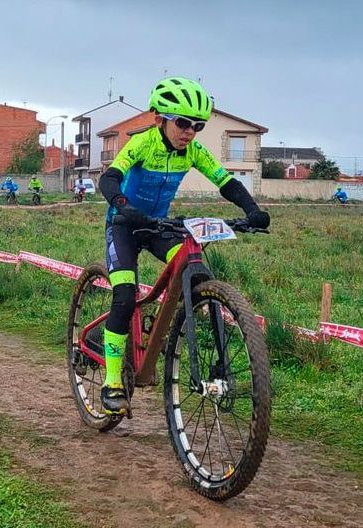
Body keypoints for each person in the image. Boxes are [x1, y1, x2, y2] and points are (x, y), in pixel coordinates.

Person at [96, 77, 270, 415]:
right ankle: (113, 380)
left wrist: (252, 210)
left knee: (195, 270)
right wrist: (121, 203)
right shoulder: (143, 144)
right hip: (124, 225)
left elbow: (226, 181)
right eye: (182, 123)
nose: (189, 131)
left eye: (197, 126)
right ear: (160, 118)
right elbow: (110, 177)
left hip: (159, 226)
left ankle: (170, 337)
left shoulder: (192, 151)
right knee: (125, 295)